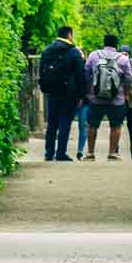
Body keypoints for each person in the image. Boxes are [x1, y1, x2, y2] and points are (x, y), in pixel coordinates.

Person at [81, 32, 132, 161]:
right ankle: (112, 153)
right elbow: (128, 78)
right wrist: (126, 94)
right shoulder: (123, 59)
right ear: (116, 45)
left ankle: (90, 153)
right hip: (117, 99)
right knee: (116, 126)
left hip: (96, 98)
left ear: (103, 43)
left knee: (92, 125)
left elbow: (86, 74)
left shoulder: (94, 55)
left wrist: (89, 92)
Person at [38, 24, 86, 162]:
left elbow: (42, 70)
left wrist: (44, 86)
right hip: (68, 94)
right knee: (65, 121)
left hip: (52, 91)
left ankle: (48, 152)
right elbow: (80, 75)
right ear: (69, 35)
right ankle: (61, 153)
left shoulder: (47, 50)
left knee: (52, 122)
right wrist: (81, 95)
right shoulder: (73, 52)